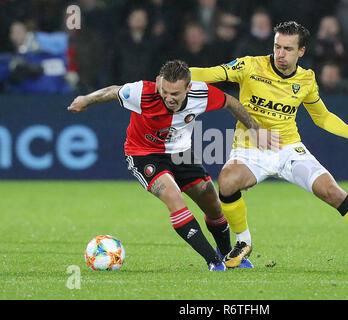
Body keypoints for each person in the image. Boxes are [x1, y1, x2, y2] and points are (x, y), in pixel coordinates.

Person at [190, 21, 348, 270]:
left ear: (301, 51)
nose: (280, 54)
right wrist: (175, 76)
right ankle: (243, 241)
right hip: (250, 148)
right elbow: (208, 73)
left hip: (288, 149)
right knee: (228, 181)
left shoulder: (306, 79)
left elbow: (322, 116)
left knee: (332, 192)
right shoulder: (250, 65)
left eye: (287, 48)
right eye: (277, 47)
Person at [67, 60, 270, 271]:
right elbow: (111, 91)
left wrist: (254, 129)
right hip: (144, 155)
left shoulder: (201, 94)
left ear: (189, 88)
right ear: (158, 83)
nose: (169, 98)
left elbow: (231, 102)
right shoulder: (141, 92)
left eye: (175, 94)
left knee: (211, 201)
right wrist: (85, 100)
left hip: (180, 153)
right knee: (174, 197)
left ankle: (227, 254)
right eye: (165, 91)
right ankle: (214, 261)